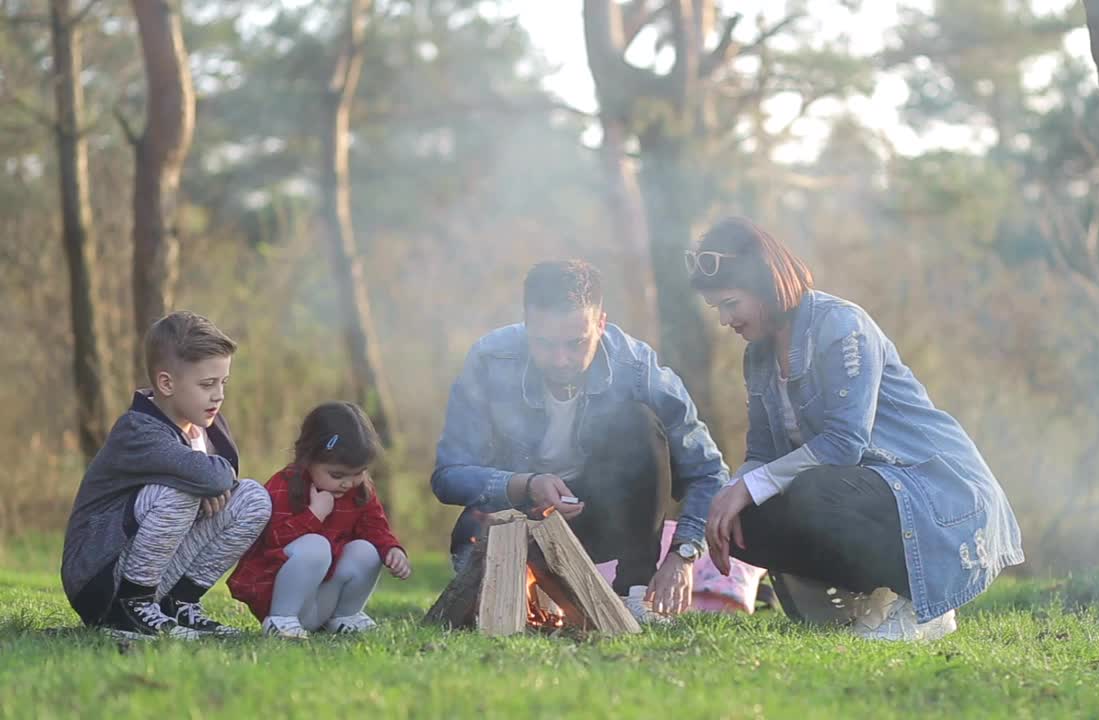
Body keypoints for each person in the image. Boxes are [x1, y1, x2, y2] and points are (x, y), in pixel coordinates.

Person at [689, 217, 1024, 641]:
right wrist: (729, 498)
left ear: (764, 284)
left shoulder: (841, 326)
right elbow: (762, 452)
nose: (724, 320)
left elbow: (845, 443)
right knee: (741, 517)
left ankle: (923, 610)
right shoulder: (757, 358)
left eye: (730, 303)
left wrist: (749, 485)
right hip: (862, 489)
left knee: (810, 490)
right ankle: (860, 601)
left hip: (932, 490)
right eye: (716, 308)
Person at [432, 260, 728, 620]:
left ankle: (633, 593)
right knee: (475, 562)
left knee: (640, 422)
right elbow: (448, 476)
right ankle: (530, 591)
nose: (560, 360)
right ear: (527, 325)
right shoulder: (489, 359)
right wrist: (526, 484)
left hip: (603, 519)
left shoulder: (636, 366)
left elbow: (708, 472)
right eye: (545, 344)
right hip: (518, 519)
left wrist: (682, 554)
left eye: (576, 343)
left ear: (601, 323)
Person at [61, 311, 272, 640]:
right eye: (207, 384)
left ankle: (179, 604)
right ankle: (130, 608)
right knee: (179, 489)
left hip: (158, 564)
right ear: (166, 383)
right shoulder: (138, 431)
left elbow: (223, 483)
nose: (219, 395)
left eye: (222, 382)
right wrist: (205, 483)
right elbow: (215, 479)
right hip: (100, 576)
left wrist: (209, 481)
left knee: (253, 498)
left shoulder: (210, 425)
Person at [228, 402, 410, 638]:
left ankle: (344, 617)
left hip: (324, 596)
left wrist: (391, 549)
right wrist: (314, 515)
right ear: (308, 459)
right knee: (316, 546)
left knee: (368, 549)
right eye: (337, 475)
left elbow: (375, 527)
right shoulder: (285, 486)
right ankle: (281, 621)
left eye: (359, 473)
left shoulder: (358, 491)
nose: (348, 483)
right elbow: (272, 541)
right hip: (280, 595)